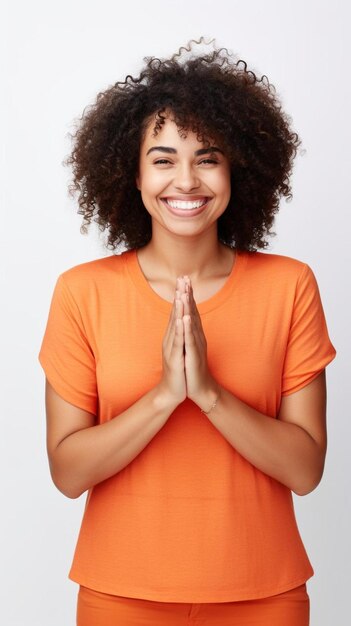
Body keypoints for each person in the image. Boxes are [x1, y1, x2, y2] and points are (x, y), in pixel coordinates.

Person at [38, 39, 336, 626]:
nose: (186, 180)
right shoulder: (82, 292)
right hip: (119, 597)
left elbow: (306, 471)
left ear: (237, 167)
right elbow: (68, 472)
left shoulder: (289, 286)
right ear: (134, 172)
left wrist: (210, 394)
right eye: (164, 158)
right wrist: (163, 396)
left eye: (207, 157)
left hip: (265, 597)